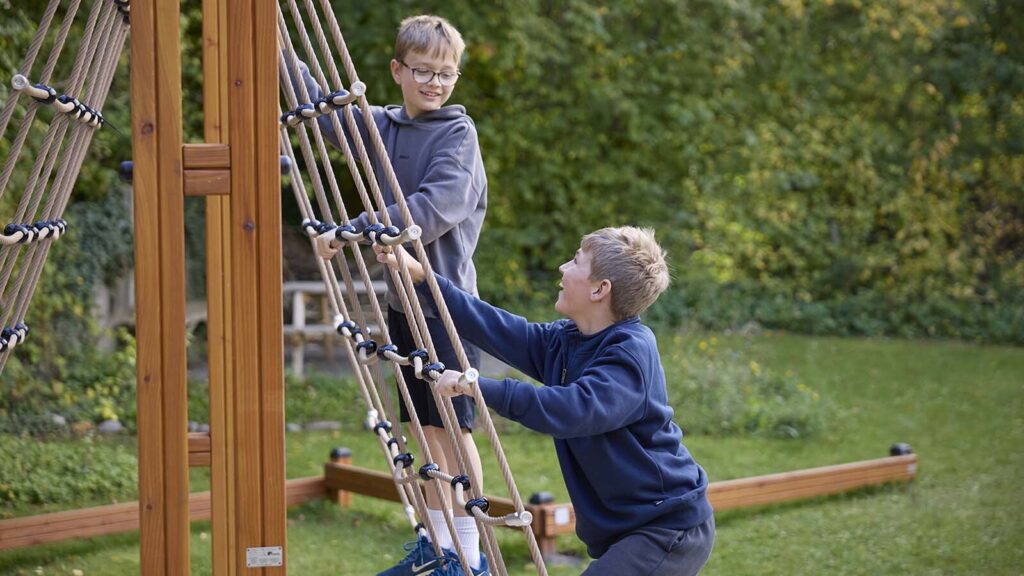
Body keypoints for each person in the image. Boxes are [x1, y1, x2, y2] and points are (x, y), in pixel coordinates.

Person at [378, 226, 715, 576]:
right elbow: (498, 328)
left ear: (600, 289)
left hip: (668, 526)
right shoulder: (569, 340)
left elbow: (571, 409)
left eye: (576, 261)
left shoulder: (630, 353)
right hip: (627, 526)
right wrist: (423, 278)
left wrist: (475, 386)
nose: (562, 267)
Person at [294, 14, 489, 576]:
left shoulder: (458, 134)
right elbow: (321, 103)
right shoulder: (381, 125)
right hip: (404, 307)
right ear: (397, 70)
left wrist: (351, 228)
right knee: (423, 433)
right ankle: (438, 545)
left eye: (446, 74)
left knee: (455, 430)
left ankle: (468, 556)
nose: (434, 83)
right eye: (423, 71)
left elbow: (434, 207)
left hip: (449, 308)